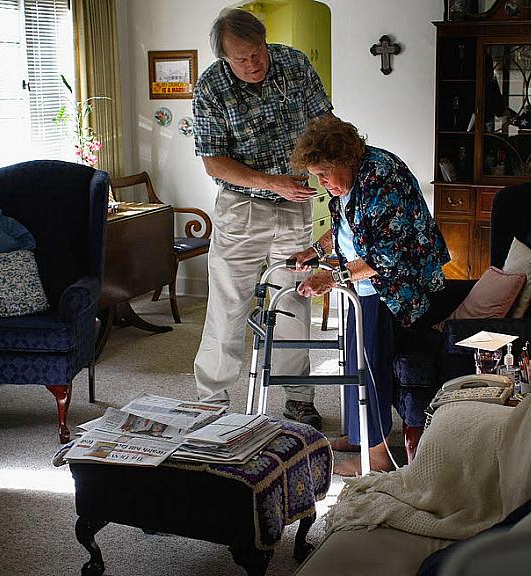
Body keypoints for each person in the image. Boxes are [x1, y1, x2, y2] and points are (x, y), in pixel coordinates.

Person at [192, 8, 333, 428]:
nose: (252, 64)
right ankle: (210, 402)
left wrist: (336, 160)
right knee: (228, 306)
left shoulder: (293, 63)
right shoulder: (211, 87)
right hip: (241, 207)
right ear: (224, 58)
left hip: (295, 204)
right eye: (240, 59)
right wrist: (272, 183)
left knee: (293, 302)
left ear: (265, 42)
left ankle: (298, 399)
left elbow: (324, 121)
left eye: (257, 53)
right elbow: (214, 162)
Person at [289, 116, 450, 475]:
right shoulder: (348, 182)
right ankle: (359, 435)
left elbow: (387, 257)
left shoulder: (382, 176)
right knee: (353, 359)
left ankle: (375, 458)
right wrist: (313, 251)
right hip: (361, 284)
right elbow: (347, 225)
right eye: (317, 175)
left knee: (370, 365)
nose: (321, 182)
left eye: (325, 174)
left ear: (346, 157)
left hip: (391, 288)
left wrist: (330, 278)